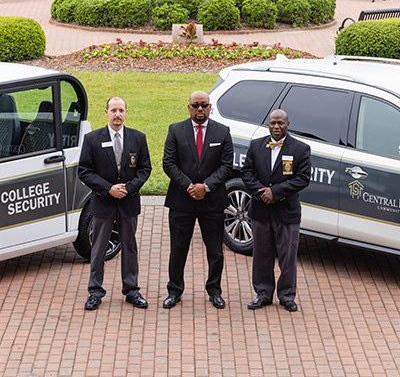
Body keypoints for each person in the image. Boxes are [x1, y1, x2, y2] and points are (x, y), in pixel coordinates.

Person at [78, 96, 151, 311]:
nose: (117, 114)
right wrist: (108, 188)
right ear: (106, 112)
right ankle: (95, 291)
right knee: (98, 247)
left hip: (128, 203)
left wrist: (128, 188)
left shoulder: (138, 138)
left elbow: (145, 169)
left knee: (129, 246)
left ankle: (132, 290)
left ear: (126, 112)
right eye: (113, 110)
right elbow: (84, 171)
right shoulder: (92, 139)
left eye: (121, 110)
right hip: (103, 203)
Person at [162, 90, 233, 309]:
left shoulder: (222, 132)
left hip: (212, 202)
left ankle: (214, 290)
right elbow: (169, 163)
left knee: (215, 250)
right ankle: (174, 291)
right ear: (189, 107)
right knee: (178, 249)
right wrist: (190, 186)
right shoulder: (175, 130)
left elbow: (226, 165)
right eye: (196, 105)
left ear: (210, 107)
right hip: (182, 201)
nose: (200, 109)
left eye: (204, 105)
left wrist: (207, 186)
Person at [242, 109, 311, 312]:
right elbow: (247, 172)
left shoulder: (300, 149)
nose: (276, 127)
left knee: (287, 255)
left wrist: (276, 192)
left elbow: (303, 178)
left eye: (280, 123)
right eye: (273, 123)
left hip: (286, 212)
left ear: (288, 124)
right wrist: (261, 192)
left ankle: (287, 295)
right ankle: (263, 294)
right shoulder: (256, 145)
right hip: (260, 210)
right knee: (261, 254)